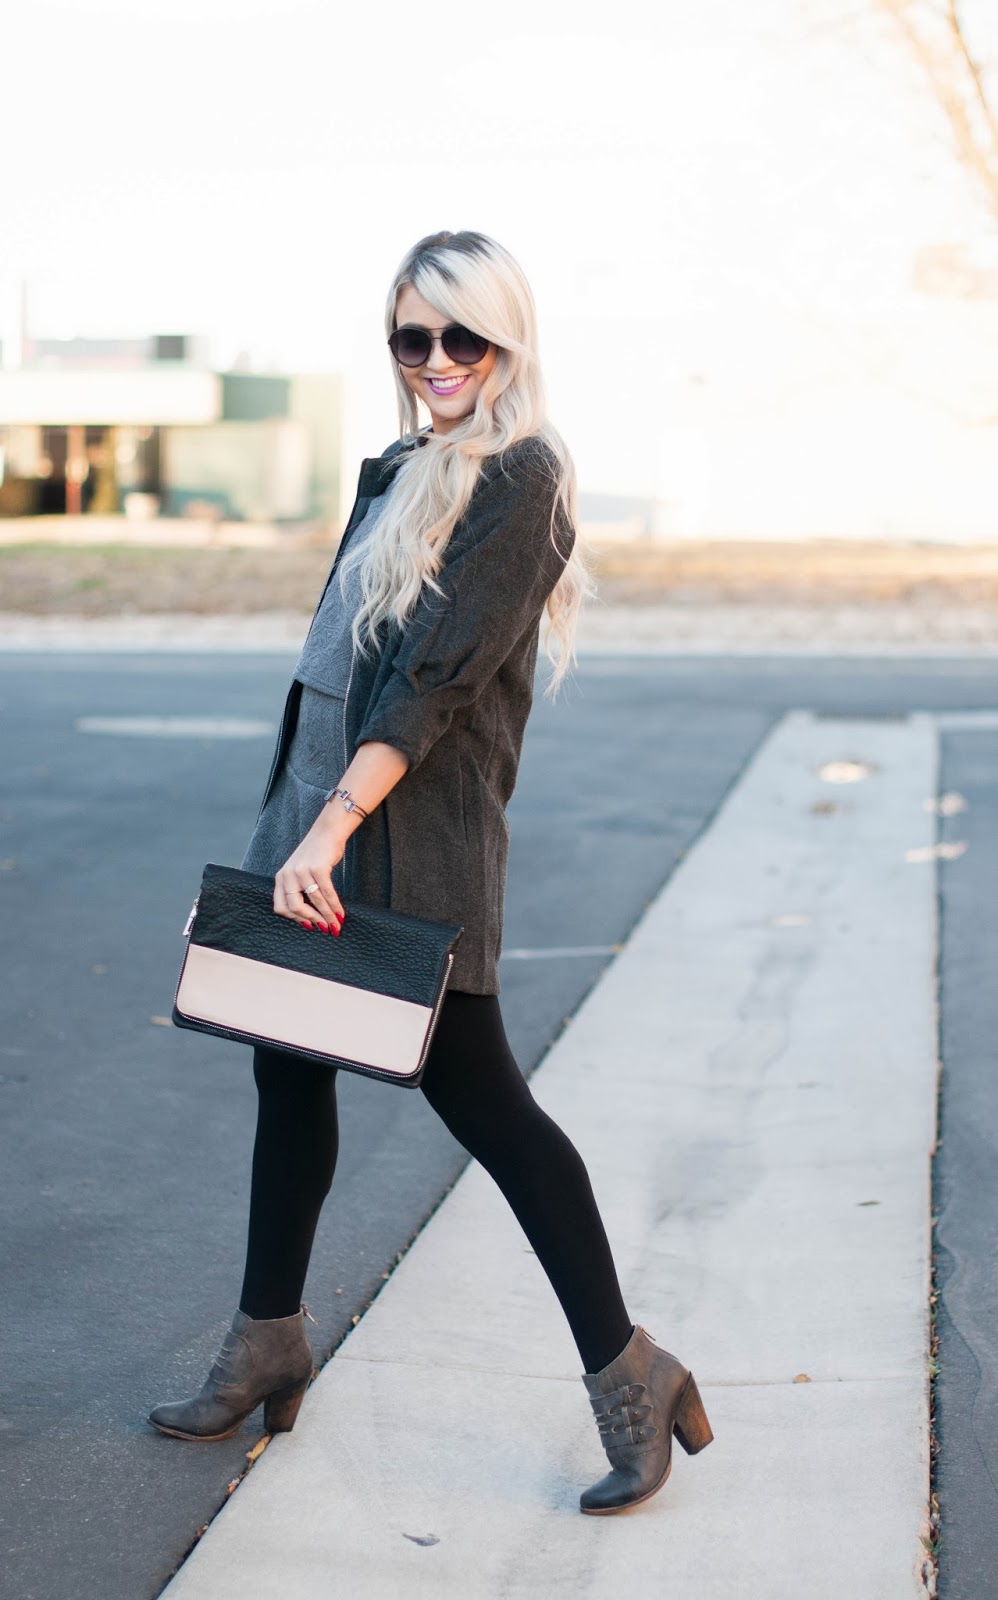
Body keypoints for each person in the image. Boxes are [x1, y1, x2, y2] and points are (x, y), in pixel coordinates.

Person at [148, 230, 712, 1514]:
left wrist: (330, 829)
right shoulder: (399, 468)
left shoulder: (523, 478)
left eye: (466, 336)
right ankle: (267, 1341)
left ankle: (632, 1371)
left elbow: (432, 684)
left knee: (488, 1110)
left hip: (402, 844)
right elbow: (333, 671)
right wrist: (290, 824)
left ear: (509, 343)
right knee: (286, 1071)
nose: (438, 359)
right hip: (313, 822)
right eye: (414, 336)